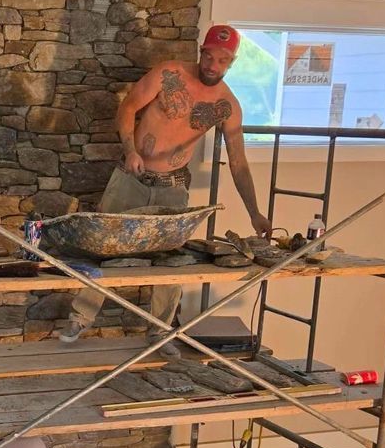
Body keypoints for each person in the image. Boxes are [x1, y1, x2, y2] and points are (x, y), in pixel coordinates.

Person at [59, 24, 271, 358]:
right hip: (131, 177)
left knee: (172, 260)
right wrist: (129, 149)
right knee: (101, 246)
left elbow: (239, 162)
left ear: (232, 62)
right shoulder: (168, 73)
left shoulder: (227, 105)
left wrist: (255, 213)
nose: (213, 65)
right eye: (209, 56)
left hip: (172, 187)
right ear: (201, 51)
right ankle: (80, 317)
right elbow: (128, 107)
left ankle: (159, 332)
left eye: (223, 60)